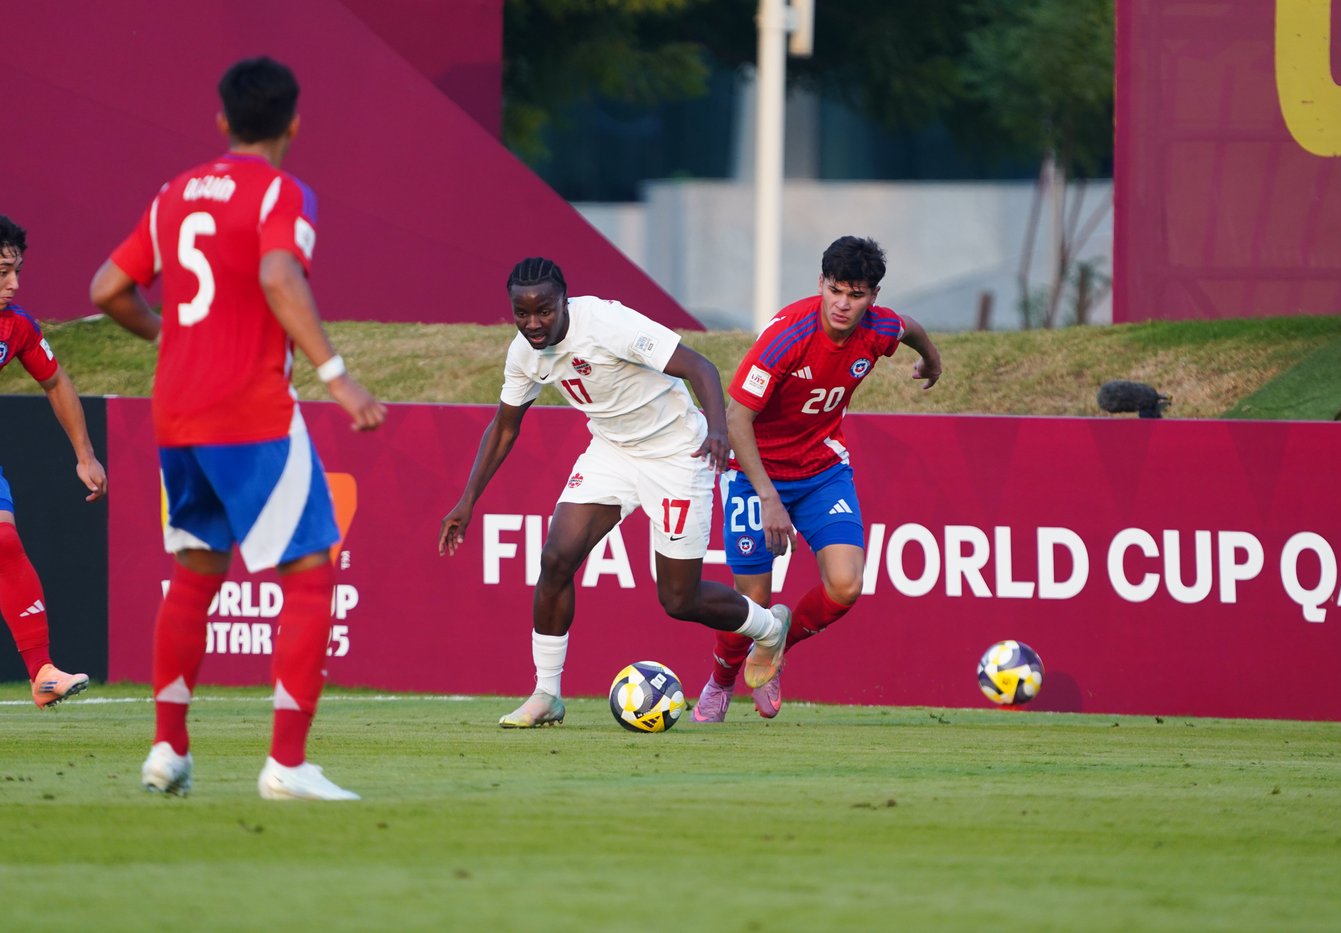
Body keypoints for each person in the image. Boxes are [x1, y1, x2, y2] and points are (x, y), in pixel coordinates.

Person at [90, 56, 386, 800]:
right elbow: (280, 276)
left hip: (176, 411)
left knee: (195, 572)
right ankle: (286, 764)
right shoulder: (283, 191)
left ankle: (168, 749)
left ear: (222, 121)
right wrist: (337, 374)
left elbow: (107, 289)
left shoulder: (175, 192)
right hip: (248, 408)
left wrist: (168, 336)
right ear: (294, 122)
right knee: (311, 572)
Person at [438, 257, 791, 727]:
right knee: (556, 557)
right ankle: (547, 694)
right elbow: (504, 428)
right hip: (612, 452)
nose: (533, 323)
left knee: (678, 600)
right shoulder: (523, 353)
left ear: (564, 300)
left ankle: (770, 627)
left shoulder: (608, 323)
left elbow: (700, 367)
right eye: (521, 314)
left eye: (543, 310)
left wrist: (717, 431)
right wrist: (467, 501)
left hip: (677, 454)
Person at [691, 235, 942, 723]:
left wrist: (932, 359)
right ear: (821, 284)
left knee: (846, 586)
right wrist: (768, 498)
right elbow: (738, 418)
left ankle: (778, 642)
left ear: (872, 297)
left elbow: (908, 327)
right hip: (753, 473)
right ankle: (720, 682)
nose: (844, 304)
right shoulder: (788, 336)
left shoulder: (878, 327)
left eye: (857, 294)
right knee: (752, 605)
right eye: (836, 290)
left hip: (822, 470)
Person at [0, 215, 107, 708]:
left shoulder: (16, 326)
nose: (13, 283)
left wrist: (84, 454)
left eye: (17, 270)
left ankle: (42, 672)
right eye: (2, 271)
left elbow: (55, 380)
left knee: (4, 541)